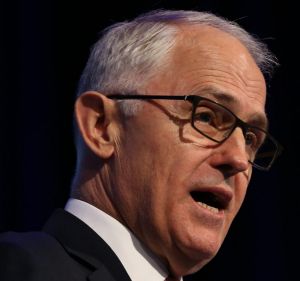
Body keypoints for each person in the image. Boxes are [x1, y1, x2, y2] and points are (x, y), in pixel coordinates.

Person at [0, 9, 281, 281]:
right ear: (101, 126)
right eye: (206, 117)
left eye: (249, 138)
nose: (238, 159)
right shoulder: (19, 267)